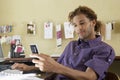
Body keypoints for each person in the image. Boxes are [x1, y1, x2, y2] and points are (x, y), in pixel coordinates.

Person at [11, 6, 115, 80]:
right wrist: (29, 68)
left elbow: (90, 77)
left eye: (82, 23)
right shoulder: (72, 45)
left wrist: (56, 67)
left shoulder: (104, 49)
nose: (78, 28)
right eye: (74, 25)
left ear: (93, 22)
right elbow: (53, 68)